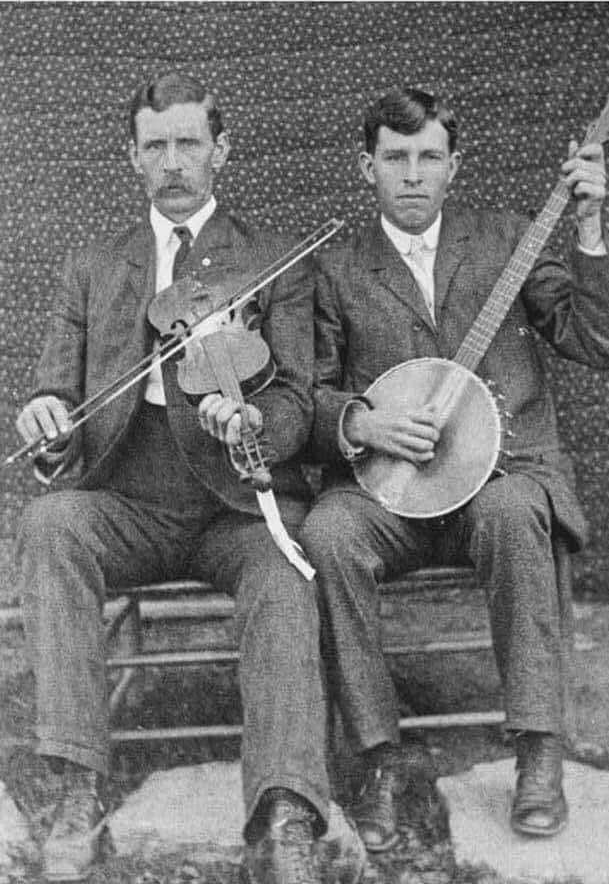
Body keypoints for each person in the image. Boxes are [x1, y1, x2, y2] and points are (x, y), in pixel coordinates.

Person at [14, 71, 363, 884]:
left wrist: (254, 424)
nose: (173, 162)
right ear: (133, 157)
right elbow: (55, 394)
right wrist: (45, 421)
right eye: (156, 146)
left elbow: (297, 395)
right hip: (126, 500)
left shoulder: (272, 261)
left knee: (286, 568)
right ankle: (75, 788)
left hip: (239, 505)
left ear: (220, 151)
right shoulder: (93, 266)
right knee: (49, 525)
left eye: (188, 143)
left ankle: (285, 810)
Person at [299, 85, 609, 850]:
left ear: (454, 165)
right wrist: (361, 421)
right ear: (367, 167)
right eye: (395, 158)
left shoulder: (507, 237)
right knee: (329, 533)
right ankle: (378, 758)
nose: (413, 174)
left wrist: (590, 225)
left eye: (428, 157)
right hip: (390, 494)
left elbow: (598, 342)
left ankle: (538, 752)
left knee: (514, 512)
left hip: (498, 481)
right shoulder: (337, 269)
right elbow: (306, 395)